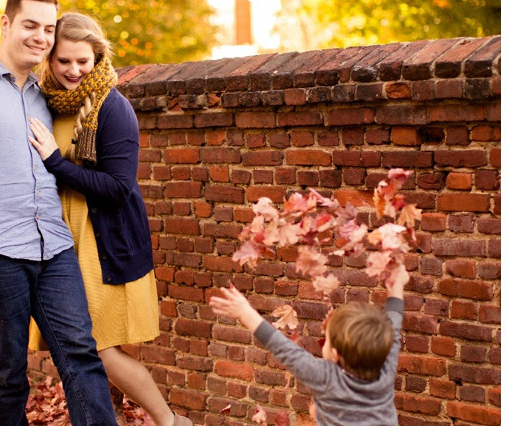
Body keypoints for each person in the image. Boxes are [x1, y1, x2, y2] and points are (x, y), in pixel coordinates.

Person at [0, 0, 118, 424]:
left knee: (80, 353)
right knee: (7, 370)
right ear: (6, 24)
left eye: (48, 29)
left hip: (52, 245)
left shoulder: (45, 95)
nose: (41, 36)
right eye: (30, 25)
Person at [25, 12, 187, 426]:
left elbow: (118, 186)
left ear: (98, 57)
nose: (74, 70)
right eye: (64, 61)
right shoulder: (45, 102)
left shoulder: (113, 108)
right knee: (84, 348)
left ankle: (170, 422)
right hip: (62, 243)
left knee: (97, 347)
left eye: (83, 60)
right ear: (50, 58)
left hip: (103, 246)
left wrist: (55, 162)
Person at [208, 279, 404, 423]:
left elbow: (283, 348)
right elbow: (393, 325)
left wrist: (245, 312)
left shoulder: (326, 377)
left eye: (328, 340)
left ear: (336, 355)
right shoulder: (386, 365)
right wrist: (397, 285)